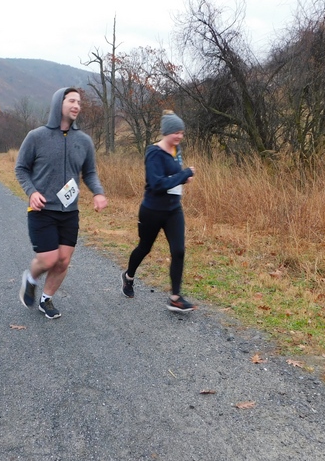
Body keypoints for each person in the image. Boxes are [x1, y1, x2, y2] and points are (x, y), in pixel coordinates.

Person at [15, 87, 108, 319]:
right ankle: (30, 279)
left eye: (79, 102)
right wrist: (32, 192)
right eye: (71, 101)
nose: (76, 106)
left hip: (69, 212)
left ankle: (46, 299)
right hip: (42, 209)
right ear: (59, 103)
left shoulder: (84, 141)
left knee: (63, 260)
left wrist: (97, 193)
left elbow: (90, 173)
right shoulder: (36, 136)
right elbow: (21, 168)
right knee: (49, 258)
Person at [121, 110, 197, 313]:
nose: (180, 136)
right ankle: (128, 276)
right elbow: (156, 184)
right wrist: (184, 174)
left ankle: (175, 298)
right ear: (166, 132)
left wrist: (184, 178)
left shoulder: (176, 150)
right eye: (176, 133)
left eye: (182, 133)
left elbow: (173, 176)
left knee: (178, 251)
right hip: (152, 210)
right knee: (144, 248)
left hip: (173, 210)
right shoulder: (154, 153)